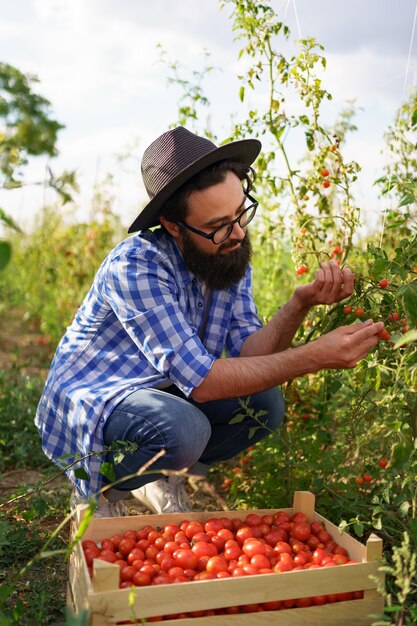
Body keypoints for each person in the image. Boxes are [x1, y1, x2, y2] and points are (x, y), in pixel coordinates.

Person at [35, 126, 384, 517]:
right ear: (173, 226)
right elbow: (202, 383)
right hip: (99, 398)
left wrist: (299, 304)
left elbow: (248, 352)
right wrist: (314, 356)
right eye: (219, 224)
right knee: (184, 429)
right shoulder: (136, 266)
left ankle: (160, 478)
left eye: (240, 214)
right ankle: (96, 488)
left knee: (263, 404)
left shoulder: (226, 253)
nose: (237, 232)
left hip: (161, 386)